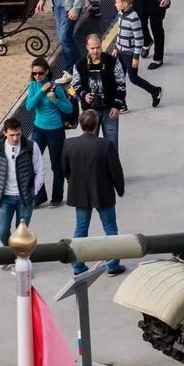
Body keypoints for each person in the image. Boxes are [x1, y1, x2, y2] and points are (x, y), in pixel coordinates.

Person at [65, 109, 127, 275]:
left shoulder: (69, 144)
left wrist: (71, 180)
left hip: (80, 193)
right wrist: (119, 189)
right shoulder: (106, 145)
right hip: (103, 192)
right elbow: (115, 170)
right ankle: (112, 266)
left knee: (80, 229)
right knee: (110, 229)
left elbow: (64, 168)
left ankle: (78, 266)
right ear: (96, 125)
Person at [22, 58, 75, 202]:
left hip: (55, 130)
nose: (37, 76)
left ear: (47, 72)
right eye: (34, 74)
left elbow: (69, 109)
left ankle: (57, 197)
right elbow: (29, 107)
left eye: (40, 73)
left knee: (56, 165)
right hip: (39, 129)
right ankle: (40, 195)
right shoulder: (33, 86)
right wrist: (40, 91)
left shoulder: (56, 88)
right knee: (33, 162)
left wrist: (55, 101)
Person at [0, 116, 40, 248]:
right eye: (11, 135)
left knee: (21, 234)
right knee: (1, 231)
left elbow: (39, 171)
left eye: (18, 134)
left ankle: (17, 257)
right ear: (4, 133)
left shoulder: (31, 146)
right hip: (5, 198)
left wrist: (34, 191)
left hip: (25, 198)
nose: (15, 138)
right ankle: (12, 253)